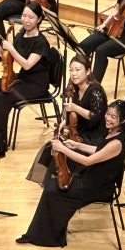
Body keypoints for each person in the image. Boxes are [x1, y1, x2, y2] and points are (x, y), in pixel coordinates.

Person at [17, 99, 125, 247]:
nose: (108, 118)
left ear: (123, 120)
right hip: (93, 176)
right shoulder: (113, 132)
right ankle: (41, 233)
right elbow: (99, 150)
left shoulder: (117, 143)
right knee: (53, 184)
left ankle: (46, 237)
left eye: (113, 117)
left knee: (52, 191)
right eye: (108, 113)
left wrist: (64, 149)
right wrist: (76, 145)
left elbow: (88, 161)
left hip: (98, 187)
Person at [0, 1, 51, 148]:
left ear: (39, 20)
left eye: (31, 17)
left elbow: (27, 65)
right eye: (24, 16)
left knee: (1, 98)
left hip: (36, 84)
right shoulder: (22, 33)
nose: (26, 20)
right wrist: (0, 50)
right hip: (23, 78)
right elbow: (11, 57)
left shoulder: (41, 42)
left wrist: (11, 48)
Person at [27, 54, 108, 186]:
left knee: (64, 150)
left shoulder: (95, 91)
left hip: (93, 135)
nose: (74, 74)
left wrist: (75, 107)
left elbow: (96, 117)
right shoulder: (73, 89)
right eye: (71, 70)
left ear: (88, 71)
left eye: (78, 70)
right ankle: (55, 183)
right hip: (78, 131)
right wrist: (63, 124)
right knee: (52, 147)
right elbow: (70, 116)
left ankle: (63, 183)